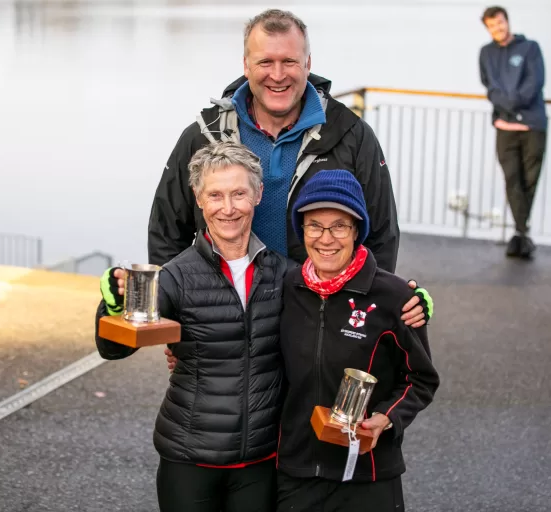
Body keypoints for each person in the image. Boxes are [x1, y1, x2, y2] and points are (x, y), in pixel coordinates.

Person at [148, 9, 412, 281]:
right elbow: (167, 232)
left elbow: (381, 236)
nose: (277, 75)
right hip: (222, 312)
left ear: (307, 63)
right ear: (246, 65)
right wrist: (175, 302)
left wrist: (364, 307)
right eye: (265, 62)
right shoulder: (204, 136)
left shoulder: (351, 134)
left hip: (317, 310)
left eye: (289, 61)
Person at [96, 141, 287, 511]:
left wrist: (402, 303)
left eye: (239, 194)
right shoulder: (174, 277)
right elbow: (114, 348)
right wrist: (112, 305)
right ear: (198, 199)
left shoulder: (285, 274)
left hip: (261, 462)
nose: (228, 208)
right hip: (188, 457)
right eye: (215, 195)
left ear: (258, 195)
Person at [275, 169, 440, 511]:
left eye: (339, 225)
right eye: (314, 225)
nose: (326, 238)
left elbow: (421, 379)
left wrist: (386, 417)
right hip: (298, 469)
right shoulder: (288, 288)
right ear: (301, 229)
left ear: (357, 231)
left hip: (370, 473)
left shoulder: (394, 297)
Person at [479, 6, 547, 259]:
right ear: (488, 28)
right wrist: (508, 106)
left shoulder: (530, 48)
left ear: (507, 21)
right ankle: (522, 232)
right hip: (504, 127)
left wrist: (514, 104)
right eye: (492, 26)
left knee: (530, 180)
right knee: (512, 179)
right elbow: (490, 87)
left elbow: (535, 83)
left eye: (500, 23)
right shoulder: (486, 53)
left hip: (533, 126)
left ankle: (520, 233)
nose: (498, 28)